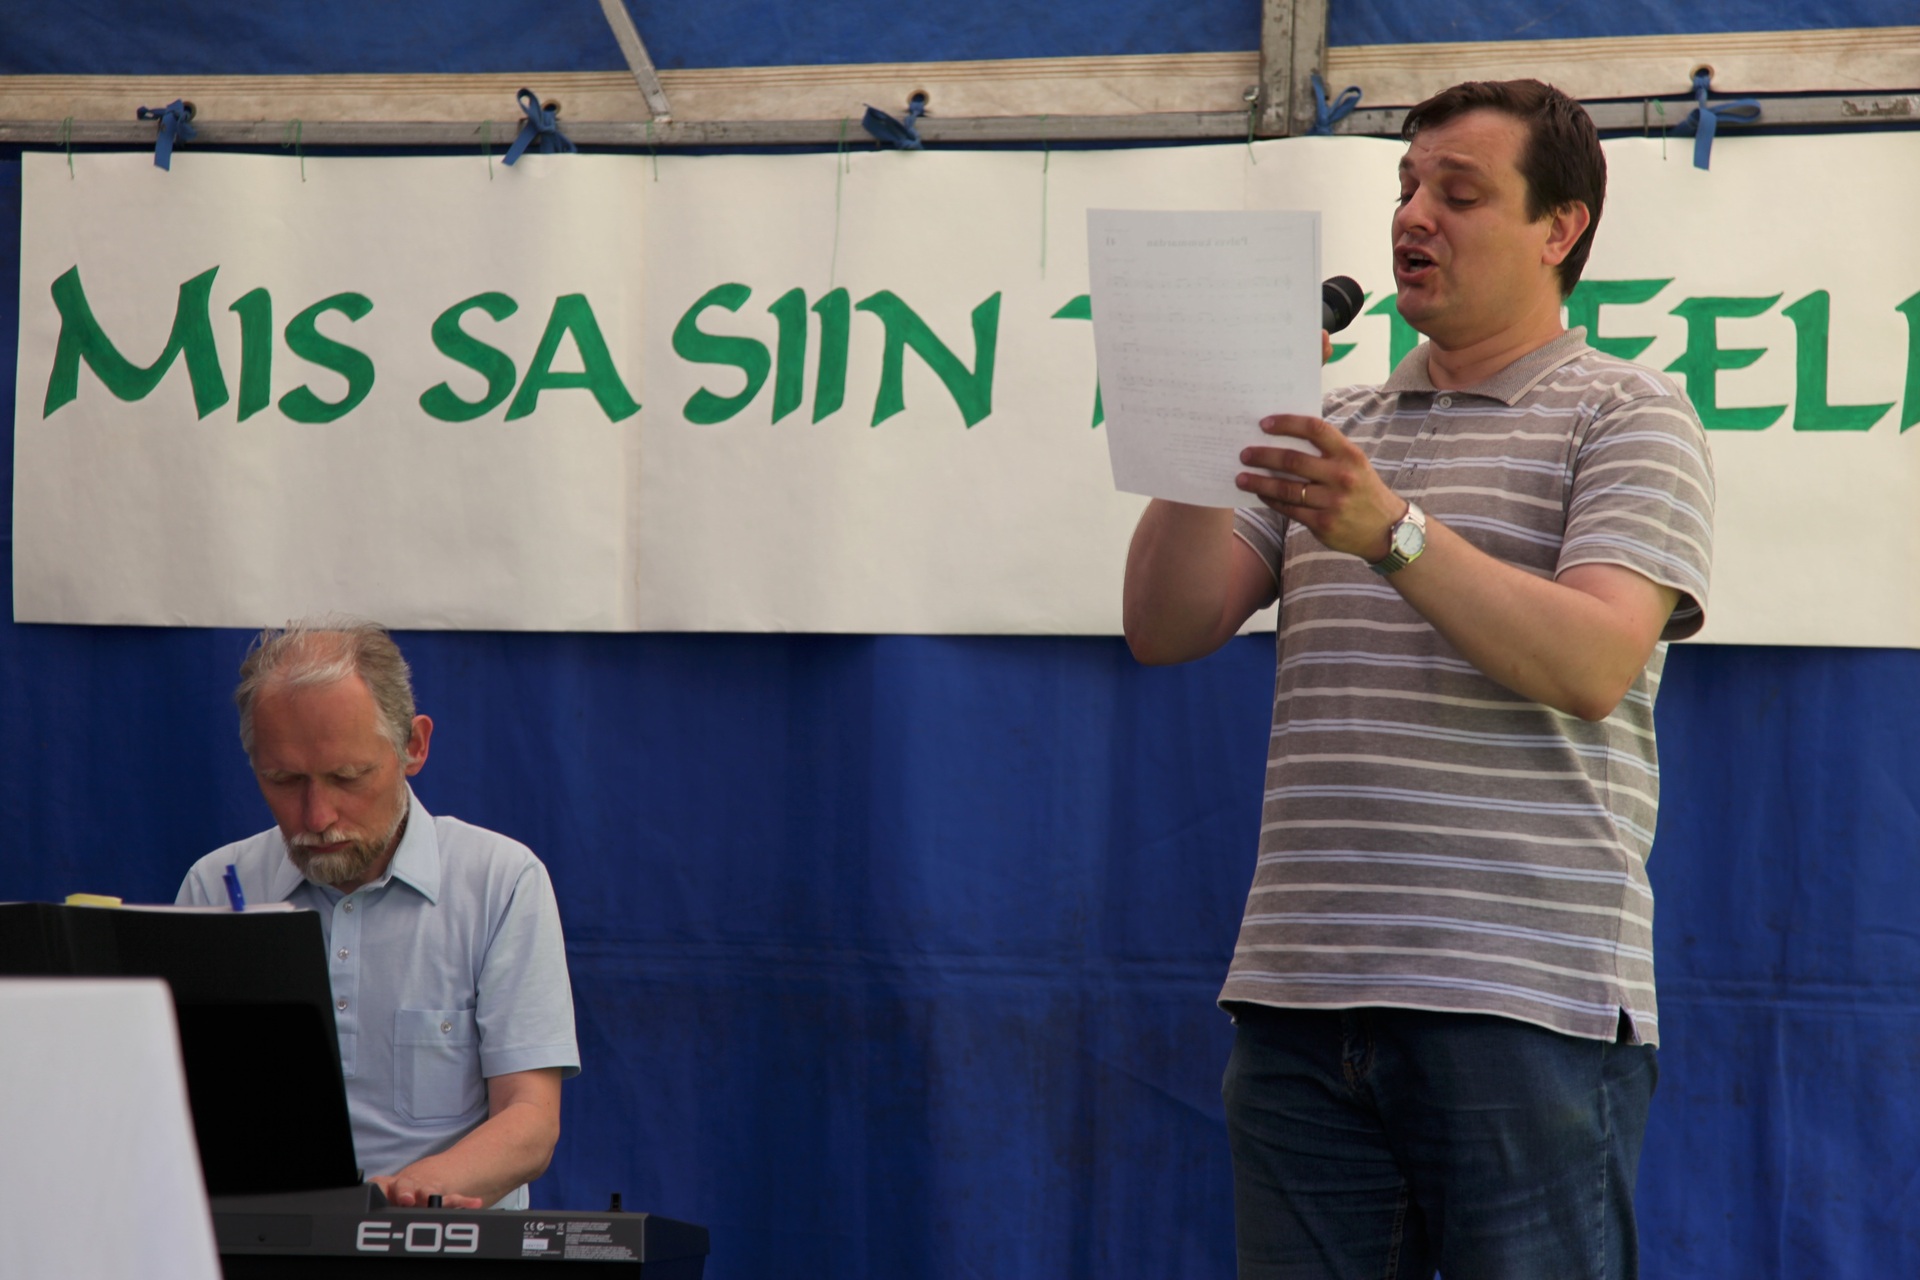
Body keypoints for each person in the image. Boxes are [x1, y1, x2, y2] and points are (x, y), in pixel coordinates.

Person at [1122, 80, 1714, 1279]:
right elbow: (1166, 625)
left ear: (1560, 228)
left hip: (1523, 1001)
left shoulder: (1629, 411)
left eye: (1460, 192)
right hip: (1300, 993)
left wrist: (1391, 532)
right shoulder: (1334, 424)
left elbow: (1594, 661)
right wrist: (1204, 420)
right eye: (1405, 188)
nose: (1414, 217)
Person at [178, 618, 579, 1211]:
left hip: (436, 1237)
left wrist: (408, 1195)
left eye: (347, 777)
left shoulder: (499, 882)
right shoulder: (216, 885)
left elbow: (531, 1121)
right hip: (265, 1237)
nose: (317, 816)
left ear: (414, 745)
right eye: (284, 780)